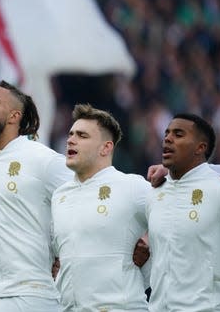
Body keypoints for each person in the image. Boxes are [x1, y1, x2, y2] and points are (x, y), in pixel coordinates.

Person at [0, 80, 71, 312]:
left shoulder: (43, 160)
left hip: (29, 293)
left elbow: (84, 198)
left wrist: (61, 251)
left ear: (14, 116)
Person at [51, 104, 150, 311]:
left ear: (106, 147)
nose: (71, 139)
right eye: (70, 134)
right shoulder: (59, 195)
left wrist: (150, 244)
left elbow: (174, 221)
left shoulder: (132, 186)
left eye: (82, 135)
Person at [146, 114, 220, 311]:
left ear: (200, 147)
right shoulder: (155, 192)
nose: (168, 139)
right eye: (167, 134)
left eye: (178, 134)